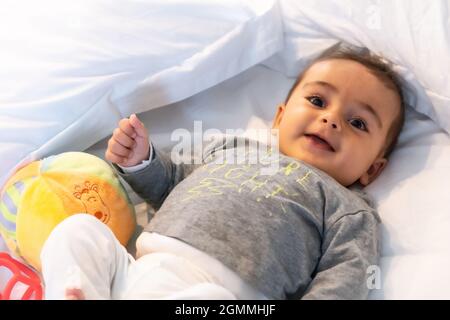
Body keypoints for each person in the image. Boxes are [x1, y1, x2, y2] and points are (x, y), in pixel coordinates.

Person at [40, 44, 405, 300]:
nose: (331, 119)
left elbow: (347, 275)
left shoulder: (346, 207)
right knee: (79, 232)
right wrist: (141, 159)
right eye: (317, 100)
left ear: (372, 169)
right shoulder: (230, 148)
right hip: (138, 268)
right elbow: (169, 182)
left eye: (357, 122)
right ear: (279, 117)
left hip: (224, 295)